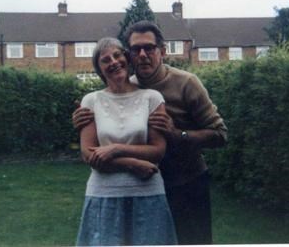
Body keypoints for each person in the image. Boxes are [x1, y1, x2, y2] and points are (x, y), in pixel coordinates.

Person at [73, 21, 228, 245]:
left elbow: (220, 134)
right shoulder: (130, 86)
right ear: (129, 55)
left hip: (186, 182)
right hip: (145, 184)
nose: (143, 54)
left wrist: (177, 134)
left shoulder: (186, 83)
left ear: (162, 51)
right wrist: (82, 119)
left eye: (149, 48)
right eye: (136, 49)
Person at [76, 37, 177, 246]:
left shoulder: (152, 98)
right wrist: (134, 163)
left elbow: (157, 151)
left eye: (117, 55)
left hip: (148, 193)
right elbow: (88, 153)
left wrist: (114, 149)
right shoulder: (91, 101)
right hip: (103, 194)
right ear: (99, 69)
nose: (113, 62)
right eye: (105, 60)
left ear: (127, 59)